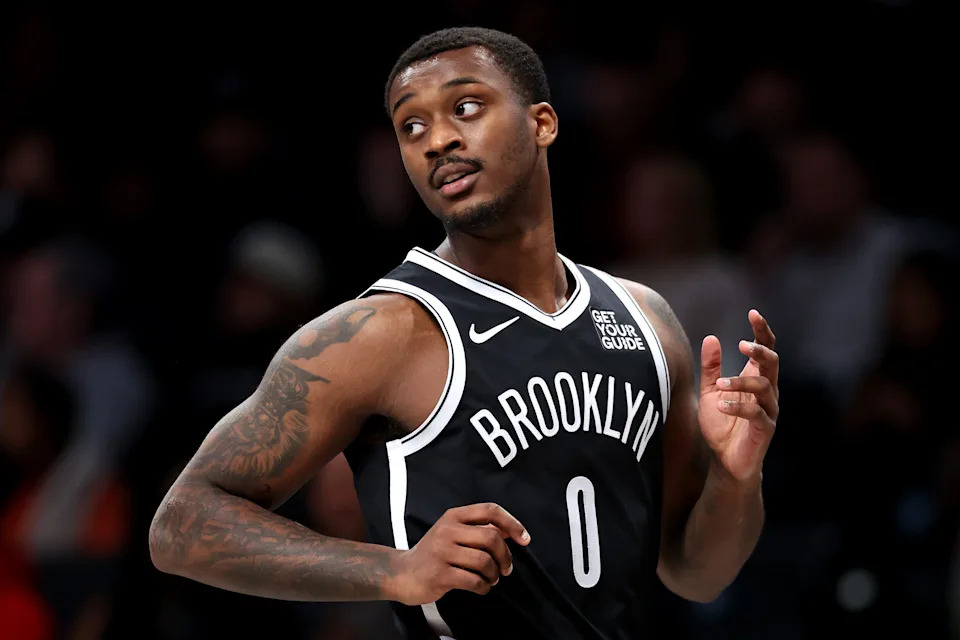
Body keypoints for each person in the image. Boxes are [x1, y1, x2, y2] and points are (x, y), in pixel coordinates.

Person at [149, 27, 781, 639]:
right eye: (411, 126)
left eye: (466, 106)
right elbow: (180, 524)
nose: (437, 140)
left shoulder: (647, 321)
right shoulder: (380, 333)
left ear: (542, 123)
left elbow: (696, 574)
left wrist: (734, 478)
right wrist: (393, 570)